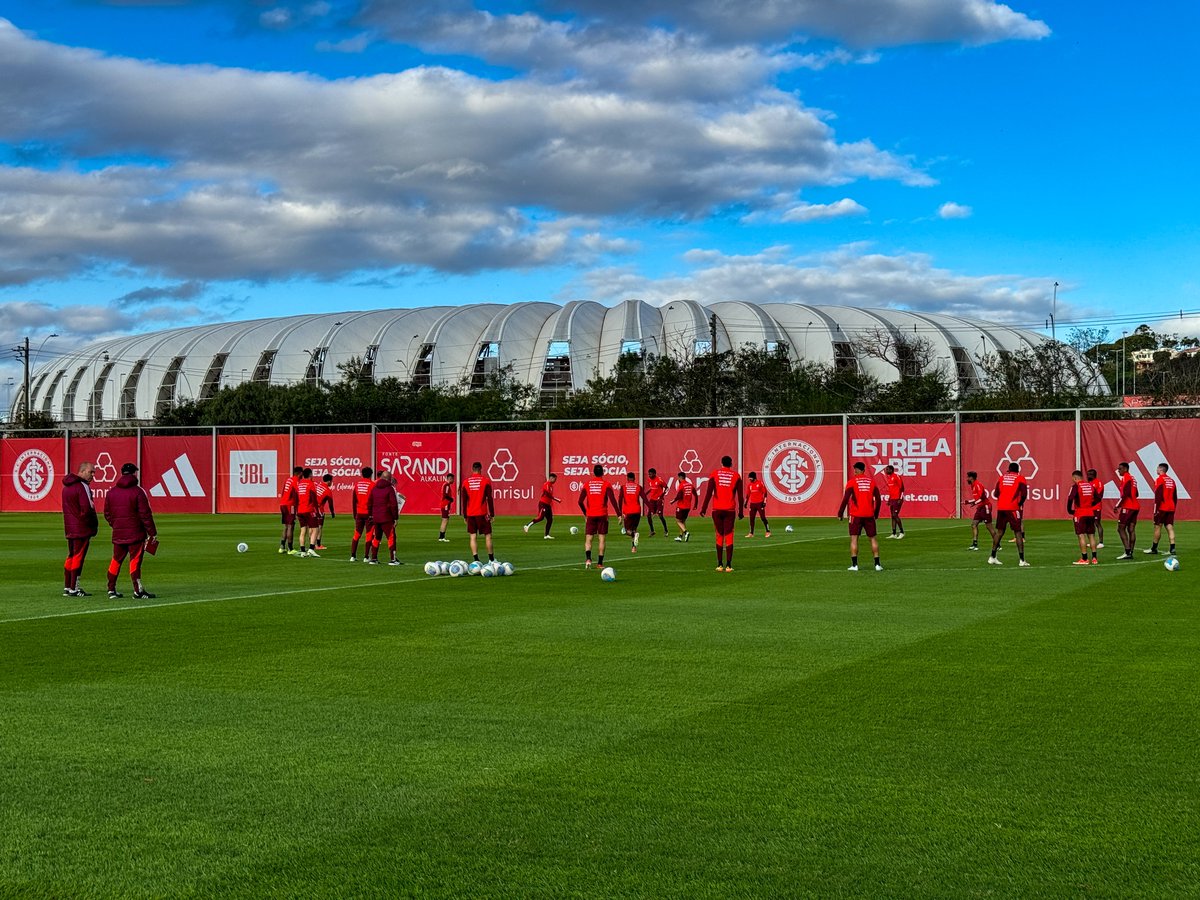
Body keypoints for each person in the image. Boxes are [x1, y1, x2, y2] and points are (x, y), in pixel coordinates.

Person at [104, 462, 157, 599]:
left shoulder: (111, 492)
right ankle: (137, 591)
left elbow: (107, 514)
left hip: (118, 533)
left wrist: (115, 525)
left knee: (116, 560)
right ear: (134, 473)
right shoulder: (138, 491)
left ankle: (111, 589)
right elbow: (145, 514)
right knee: (134, 561)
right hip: (135, 533)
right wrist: (152, 532)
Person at [700, 455, 745, 572]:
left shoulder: (714, 474)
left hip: (717, 510)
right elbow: (740, 496)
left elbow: (709, 493)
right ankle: (729, 565)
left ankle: (719, 564)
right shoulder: (736, 476)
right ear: (731, 464)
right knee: (729, 536)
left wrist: (703, 508)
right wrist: (741, 511)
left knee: (719, 535)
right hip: (730, 510)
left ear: (721, 463)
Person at [61, 460, 98, 597]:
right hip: (81, 528)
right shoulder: (83, 486)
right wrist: (92, 525)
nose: (93, 475)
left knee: (71, 555)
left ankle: (67, 585)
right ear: (81, 472)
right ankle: (74, 587)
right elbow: (87, 509)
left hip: (70, 528)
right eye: (90, 472)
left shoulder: (66, 487)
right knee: (78, 557)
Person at [837, 461, 882, 571]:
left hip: (856, 515)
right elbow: (879, 499)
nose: (855, 471)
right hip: (869, 514)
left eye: (855, 469)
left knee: (854, 539)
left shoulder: (852, 482)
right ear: (864, 470)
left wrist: (840, 512)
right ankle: (877, 565)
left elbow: (846, 498)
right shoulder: (871, 482)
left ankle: (854, 565)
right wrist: (875, 513)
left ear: (857, 470)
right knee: (873, 539)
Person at [578, 463, 619, 569]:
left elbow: (580, 501)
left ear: (593, 472)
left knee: (589, 538)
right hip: (602, 515)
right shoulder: (606, 484)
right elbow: (613, 500)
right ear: (603, 472)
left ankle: (588, 559)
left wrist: (585, 513)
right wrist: (619, 514)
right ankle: (600, 563)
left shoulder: (587, 484)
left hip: (591, 515)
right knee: (601, 539)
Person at [988, 462, 1029, 567]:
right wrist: (1019, 503)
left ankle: (992, 557)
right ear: (1018, 470)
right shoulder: (1020, 478)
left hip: (1001, 508)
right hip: (1013, 508)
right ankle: (1022, 560)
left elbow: (996, 493)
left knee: (1000, 532)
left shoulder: (1002, 478)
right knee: (1018, 532)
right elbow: (1024, 494)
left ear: (1009, 470)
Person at [460, 461, 496, 564]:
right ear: (480, 469)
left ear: (472, 469)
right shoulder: (486, 481)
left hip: (471, 514)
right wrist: (492, 514)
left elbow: (464, 500)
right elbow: (489, 498)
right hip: (482, 513)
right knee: (488, 536)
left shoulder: (466, 482)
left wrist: (465, 515)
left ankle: (476, 560)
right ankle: (491, 560)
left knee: (473, 536)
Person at [1066, 470, 1100, 566]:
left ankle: (1084, 558)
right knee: (1091, 535)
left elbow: (1070, 498)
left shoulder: (1076, 486)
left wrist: (1070, 510)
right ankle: (1094, 558)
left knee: (1081, 535)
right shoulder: (1090, 486)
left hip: (1080, 513)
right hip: (1090, 512)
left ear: (1075, 478)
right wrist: (1090, 505)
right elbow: (1098, 498)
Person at [368, 470, 402, 565]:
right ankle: (393, 559)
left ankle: (374, 558)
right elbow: (393, 504)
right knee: (391, 537)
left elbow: (370, 503)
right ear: (389, 478)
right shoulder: (390, 488)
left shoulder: (374, 488)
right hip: (387, 517)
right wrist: (395, 518)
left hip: (376, 517)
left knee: (376, 537)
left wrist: (371, 515)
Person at [1146, 462, 1177, 556]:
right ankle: (1172, 548)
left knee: (1157, 526)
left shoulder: (1159, 479)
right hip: (1171, 507)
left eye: (1157, 468)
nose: (1156, 470)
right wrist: (1173, 507)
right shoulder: (1172, 480)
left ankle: (1154, 548)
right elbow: (1175, 496)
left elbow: (1158, 496)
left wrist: (1155, 510)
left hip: (1162, 507)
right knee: (1169, 526)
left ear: (1160, 469)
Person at [963, 471, 997, 551]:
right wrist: (968, 502)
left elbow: (981, 498)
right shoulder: (972, 485)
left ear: (971, 477)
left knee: (989, 526)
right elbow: (977, 499)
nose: (967, 479)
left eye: (968, 477)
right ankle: (975, 544)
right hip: (980, 507)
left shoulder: (978, 485)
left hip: (985, 507)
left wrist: (974, 503)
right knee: (974, 524)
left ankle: (997, 544)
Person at [524, 472, 563, 539]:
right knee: (540, 517)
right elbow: (547, 494)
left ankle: (546, 535)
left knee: (550, 519)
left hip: (548, 505)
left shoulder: (551, 486)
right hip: (543, 504)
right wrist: (556, 499)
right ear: (551, 478)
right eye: (555, 479)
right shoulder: (547, 484)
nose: (555, 481)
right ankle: (527, 525)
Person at [1114, 461, 1139, 560]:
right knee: (1131, 529)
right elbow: (1137, 493)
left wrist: (1117, 505)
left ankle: (1127, 551)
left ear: (1125, 469)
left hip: (1128, 506)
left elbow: (1126, 493)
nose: (1118, 470)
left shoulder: (1126, 478)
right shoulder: (1133, 478)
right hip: (1135, 506)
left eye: (1120, 469)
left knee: (1120, 528)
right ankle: (1130, 552)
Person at [349, 466, 374, 562]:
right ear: (371, 475)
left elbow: (354, 500)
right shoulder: (372, 485)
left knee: (357, 534)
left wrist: (354, 513)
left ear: (362, 474)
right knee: (369, 535)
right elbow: (372, 501)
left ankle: (353, 556)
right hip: (368, 514)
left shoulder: (357, 485)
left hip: (359, 513)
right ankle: (366, 557)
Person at [295, 467, 319, 557]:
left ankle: (302, 551)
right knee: (315, 528)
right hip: (308, 510)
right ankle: (311, 549)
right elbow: (314, 498)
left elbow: (296, 498)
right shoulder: (310, 484)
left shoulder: (299, 484)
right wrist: (317, 510)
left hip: (300, 510)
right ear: (310, 475)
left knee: (303, 531)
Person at [619, 471, 646, 553]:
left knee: (627, 531)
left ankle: (634, 536)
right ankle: (634, 548)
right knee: (634, 528)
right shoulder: (638, 487)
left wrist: (619, 512)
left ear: (627, 478)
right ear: (634, 478)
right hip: (637, 511)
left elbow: (620, 500)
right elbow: (645, 499)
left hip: (628, 511)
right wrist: (651, 508)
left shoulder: (623, 487)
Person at [277, 465, 302, 554]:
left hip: (283, 504)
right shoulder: (296, 481)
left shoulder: (288, 479)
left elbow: (283, 491)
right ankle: (290, 549)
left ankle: (282, 547)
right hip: (290, 505)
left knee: (286, 525)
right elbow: (299, 492)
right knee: (291, 526)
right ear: (300, 474)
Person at [312, 473, 334, 550]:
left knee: (312, 527)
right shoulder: (328, 490)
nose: (332, 483)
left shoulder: (318, 485)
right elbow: (330, 503)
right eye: (331, 481)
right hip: (319, 509)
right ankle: (318, 545)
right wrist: (332, 513)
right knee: (319, 527)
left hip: (311, 508)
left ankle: (312, 544)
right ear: (328, 481)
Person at [672, 471, 695, 542]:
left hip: (681, 506)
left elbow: (679, 495)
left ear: (679, 477)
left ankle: (686, 532)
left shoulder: (681, 485)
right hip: (688, 507)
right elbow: (696, 495)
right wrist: (695, 505)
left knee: (678, 521)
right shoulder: (690, 485)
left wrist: (673, 501)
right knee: (682, 521)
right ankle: (680, 536)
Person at [745, 471, 770, 537]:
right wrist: (745, 502)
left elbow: (765, 493)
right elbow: (748, 494)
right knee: (751, 518)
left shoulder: (760, 483)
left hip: (760, 503)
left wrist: (764, 502)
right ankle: (751, 533)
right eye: (749, 478)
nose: (749, 479)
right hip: (752, 504)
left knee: (762, 518)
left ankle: (768, 531)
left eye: (750, 478)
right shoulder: (749, 485)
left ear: (754, 477)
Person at [645, 467, 669, 536]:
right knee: (648, 515)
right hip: (652, 500)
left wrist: (662, 496)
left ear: (655, 474)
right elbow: (652, 488)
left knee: (660, 516)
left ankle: (666, 530)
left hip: (659, 500)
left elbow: (667, 488)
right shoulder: (649, 480)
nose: (649, 475)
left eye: (651, 474)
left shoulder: (659, 480)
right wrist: (646, 493)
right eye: (649, 474)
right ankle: (652, 531)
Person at [884, 464, 906, 539]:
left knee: (895, 515)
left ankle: (902, 532)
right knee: (892, 516)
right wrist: (889, 499)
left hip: (897, 499)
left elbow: (902, 488)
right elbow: (891, 490)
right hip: (892, 499)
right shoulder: (889, 478)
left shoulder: (896, 476)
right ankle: (894, 533)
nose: (886, 471)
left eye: (887, 469)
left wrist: (900, 498)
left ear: (891, 470)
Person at [1087, 468, 1105, 549]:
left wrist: (1093, 503)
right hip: (1089, 507)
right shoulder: (1090, 483)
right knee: (1091, 524)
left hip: (1096, 506)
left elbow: (1099, 496)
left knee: (1097, 523)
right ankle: (1092, 541)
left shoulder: (1098, 483)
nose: (1088, 476)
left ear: (1093, 475)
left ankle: (1101, 542)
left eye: (1089, 475)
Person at [437, 473, 455, 542]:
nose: (453, 480)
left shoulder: (446, 485)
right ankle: (442, 537)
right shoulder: (447, 485)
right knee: (445, 520)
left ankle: (441, 536)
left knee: (444, 520)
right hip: (445, 505)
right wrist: (451, 499)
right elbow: (445, 494)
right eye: (452, 479)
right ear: (450, 479)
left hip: (445, 504)